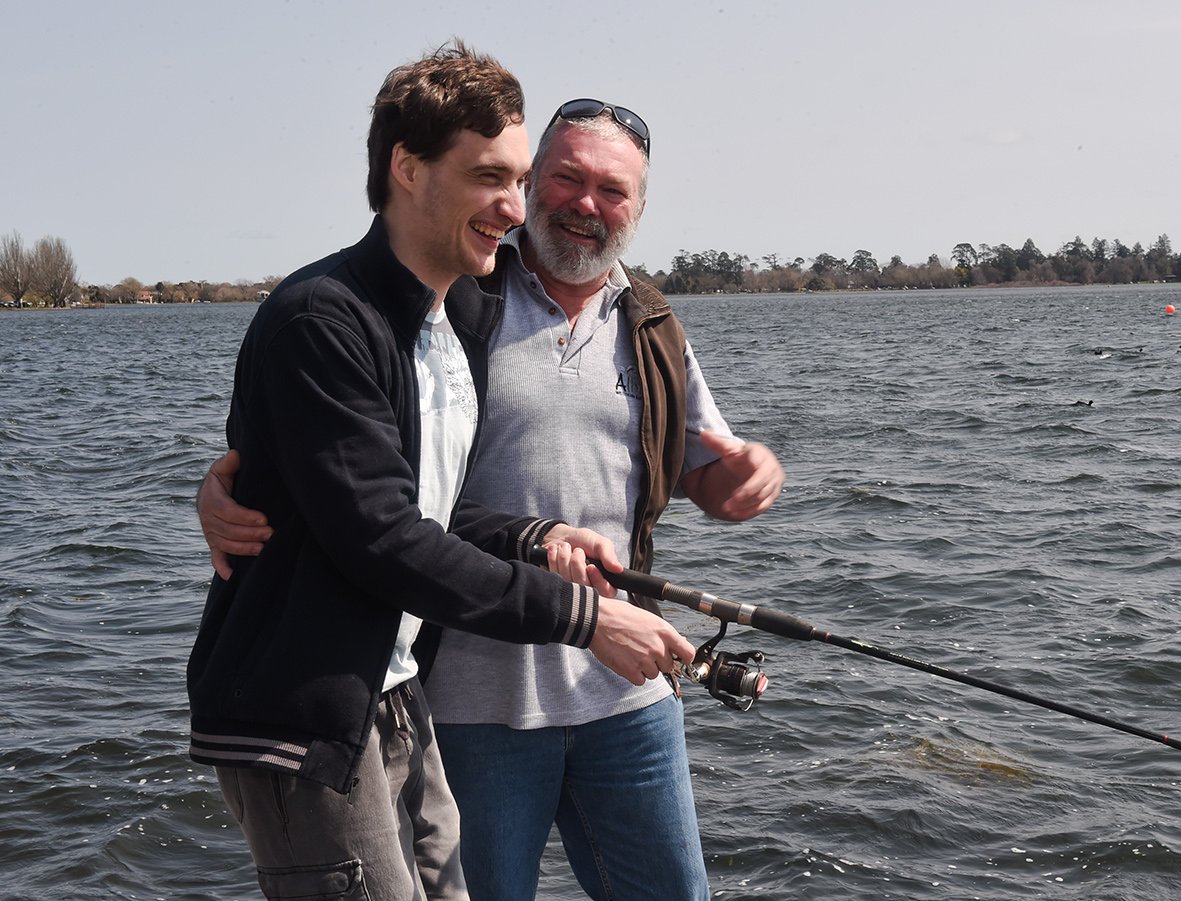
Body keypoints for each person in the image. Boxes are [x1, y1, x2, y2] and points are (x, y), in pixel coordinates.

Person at [200, 99, 784, 900]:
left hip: (626, 694)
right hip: (463, 704)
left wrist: (746, 476)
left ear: (639, 208)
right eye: (564, 178)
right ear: (530, 182)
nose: (585, 204)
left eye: (612, 190)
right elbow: (350, 480)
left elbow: (699, 470)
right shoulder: (456, 293)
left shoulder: (651, 323)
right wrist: (230, 490)